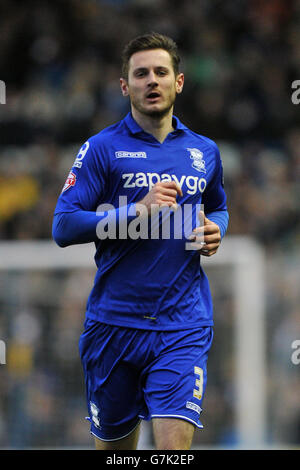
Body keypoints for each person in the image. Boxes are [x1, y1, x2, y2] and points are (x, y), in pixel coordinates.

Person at [52, 32, 229, 450]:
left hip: (182, 324)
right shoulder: (101, 149)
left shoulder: (205, 151)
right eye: (141, 73)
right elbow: (63, 226)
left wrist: (216, 227)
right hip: (113, 325)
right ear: (124, 85)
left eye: (161, 72)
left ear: (178, 82)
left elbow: (218, 204)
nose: (152, 81)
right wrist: (136, 211)